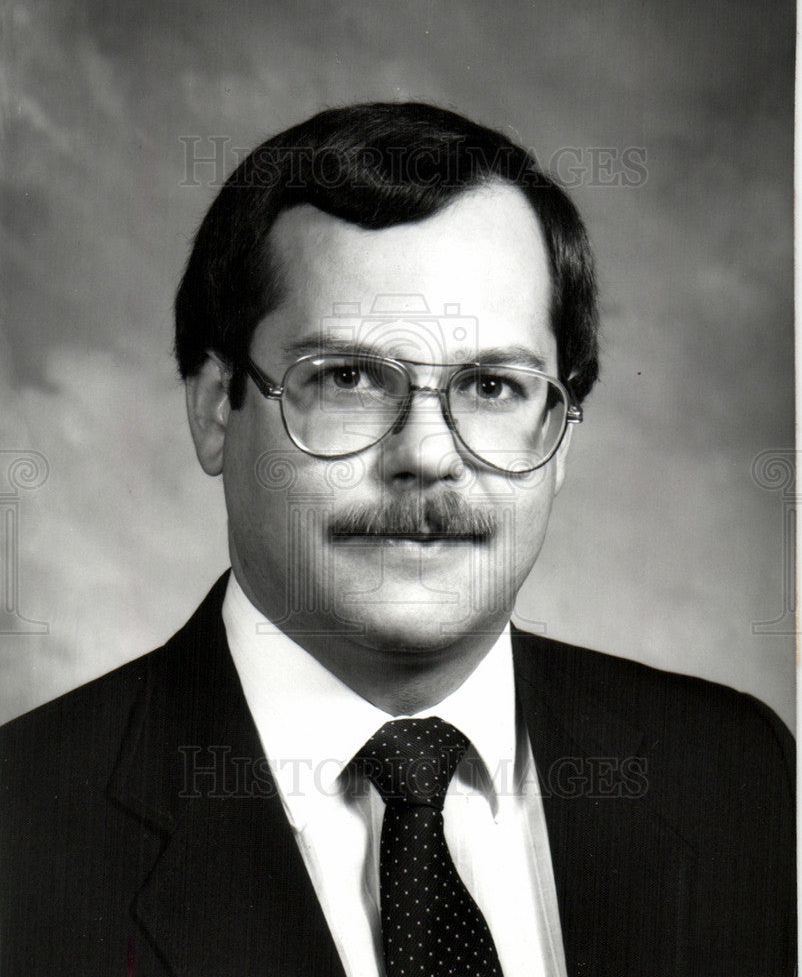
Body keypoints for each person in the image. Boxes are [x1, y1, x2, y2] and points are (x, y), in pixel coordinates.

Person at [0, 102, 794, 977]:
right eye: (347, 378)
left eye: (492, 386)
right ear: (213, 409)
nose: (424, 457)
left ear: (561, 436)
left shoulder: (739, 778)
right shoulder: (23, 835)